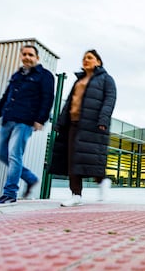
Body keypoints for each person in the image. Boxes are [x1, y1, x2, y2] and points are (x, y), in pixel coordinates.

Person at [0, 45, 55, 206]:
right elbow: (7, 96)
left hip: (25, 121)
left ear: (37, 58)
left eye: (30, 54)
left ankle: (10, 194)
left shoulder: (45, 76)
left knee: (14, 155)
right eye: (24, 54)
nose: (27, 57)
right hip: (8, 118)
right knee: (0, 153)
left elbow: (48, 99)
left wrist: (41, 119)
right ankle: (30, 178)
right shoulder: (17, 75)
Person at [48, 49, 116, 207]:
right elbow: (69, 103)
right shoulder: (78, 81)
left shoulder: (106, 79)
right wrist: (60, 122)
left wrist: (103, 119)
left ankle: (102, 180)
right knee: (73, 160)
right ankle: (76, 194)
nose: (86, 60)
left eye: (90, 58)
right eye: (84, 58)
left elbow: (110, 100)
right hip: (74, 124)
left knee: (91, 158)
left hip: (93, 124)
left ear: (98, 62)